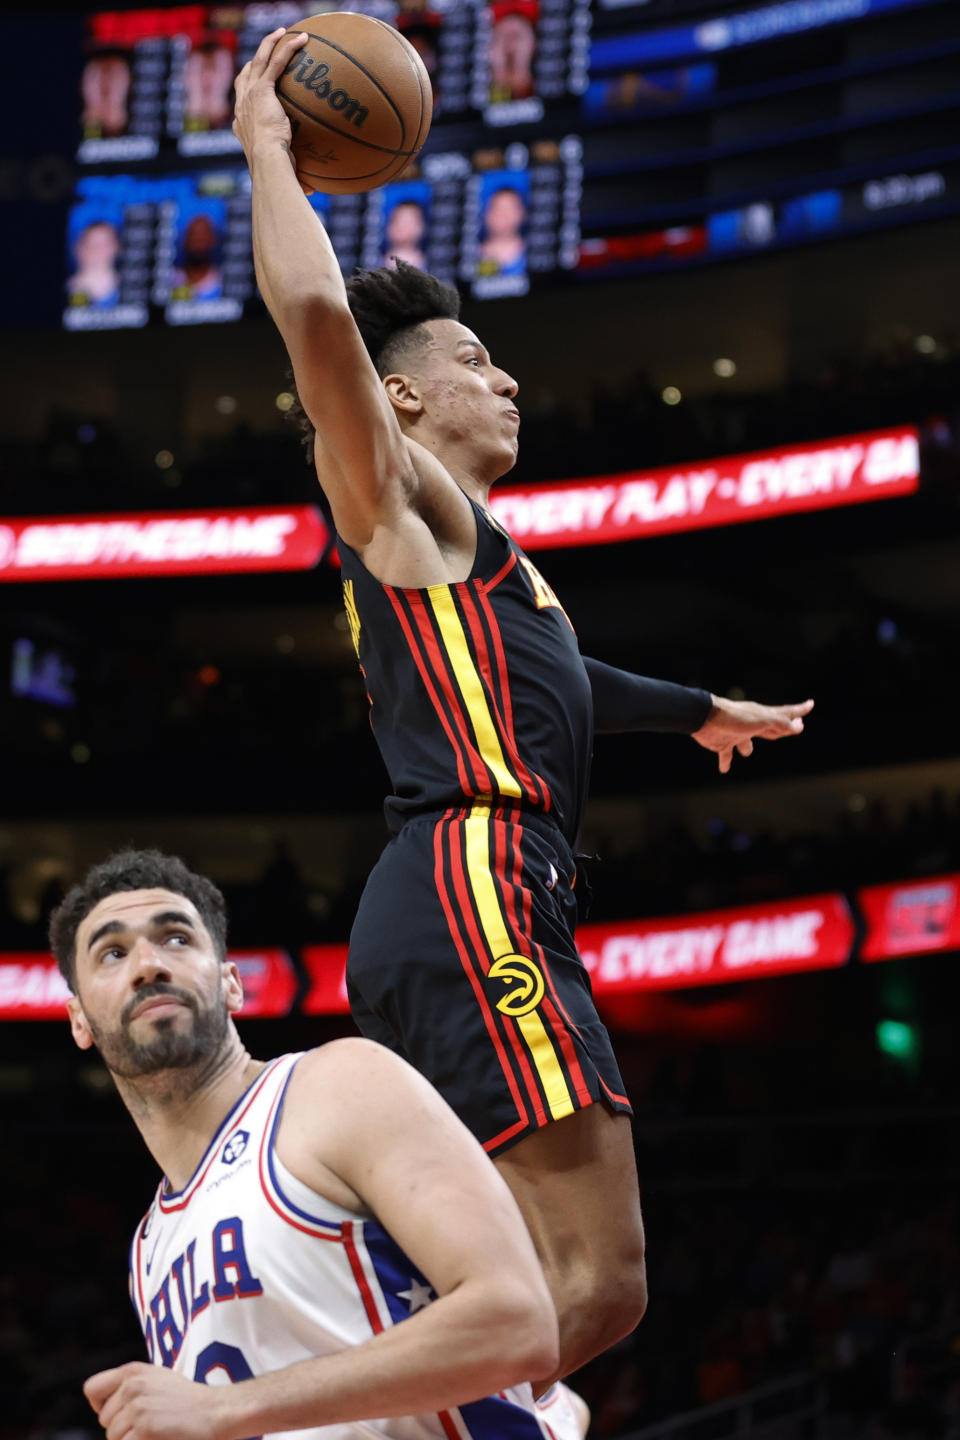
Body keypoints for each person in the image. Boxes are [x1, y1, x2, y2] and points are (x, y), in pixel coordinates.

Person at [232, 28, 815, 1389]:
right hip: (475, 880)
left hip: (451, 897)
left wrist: (697, 709)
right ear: (404, 395)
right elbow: (320, 328)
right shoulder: (403, 494)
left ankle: (377, 1405)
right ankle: (296, 1416)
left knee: (517, 1289)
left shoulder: (478, 566)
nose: (508, 379)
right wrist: (268, 151)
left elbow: (561, 683)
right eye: (476, 357)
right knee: (592, 1288)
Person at [51, 849, 560, 1440]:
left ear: (231, 984)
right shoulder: (148, 1249)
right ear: (79, 1020)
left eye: (176, 939)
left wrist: (226, 1408)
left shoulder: (336, 1084)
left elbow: (518, 1322)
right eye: (112, 953)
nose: (147, 965)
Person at [68, 220, 121, 307]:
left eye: (104, 244)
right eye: (90, 244)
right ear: (79, 249)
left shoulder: (132, 292)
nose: (97, 250)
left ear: (116, 247)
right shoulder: (66, 292)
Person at [478, 185, 527, 276]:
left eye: (508, 209)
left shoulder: (536, 258)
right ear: (486, 214)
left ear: (521, 213)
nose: (502, 214)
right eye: (496, 207)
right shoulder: (470, 259)